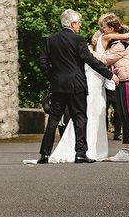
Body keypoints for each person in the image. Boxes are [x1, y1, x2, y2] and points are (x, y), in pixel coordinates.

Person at [36, 8, 113, 164]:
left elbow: (42, 63)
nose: (80, 26)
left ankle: (44, 154)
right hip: (76, 85)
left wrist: (53, 76)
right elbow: (90, 60)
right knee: (80, 118)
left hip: (58, 86)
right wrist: (110, 74)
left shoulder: (50, 40)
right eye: (79, 23)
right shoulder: (78, 40)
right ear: (72, 24)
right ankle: (80, 153)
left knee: (53, 119)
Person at [94, 12, 129, 159]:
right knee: (124, 116)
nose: (102, 29)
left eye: (104, 27)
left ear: (111, 28)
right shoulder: (117, 40)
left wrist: (90, 52)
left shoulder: (119, 44)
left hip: (128, 81)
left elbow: (105, 59)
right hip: (121, 81)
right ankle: (125, 150)